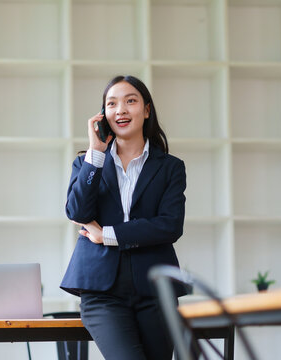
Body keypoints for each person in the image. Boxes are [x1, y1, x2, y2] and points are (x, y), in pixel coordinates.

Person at [60, 75, 187, 360]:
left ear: (146, 110)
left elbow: (169, 225)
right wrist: (96, 153)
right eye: (112, 104)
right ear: (103, 115)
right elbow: (77, 212)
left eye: (131, 101)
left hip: (156, 291)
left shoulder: (170, 168)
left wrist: (106, 234)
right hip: (102, 292)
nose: (121, 110)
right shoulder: (87, 162)